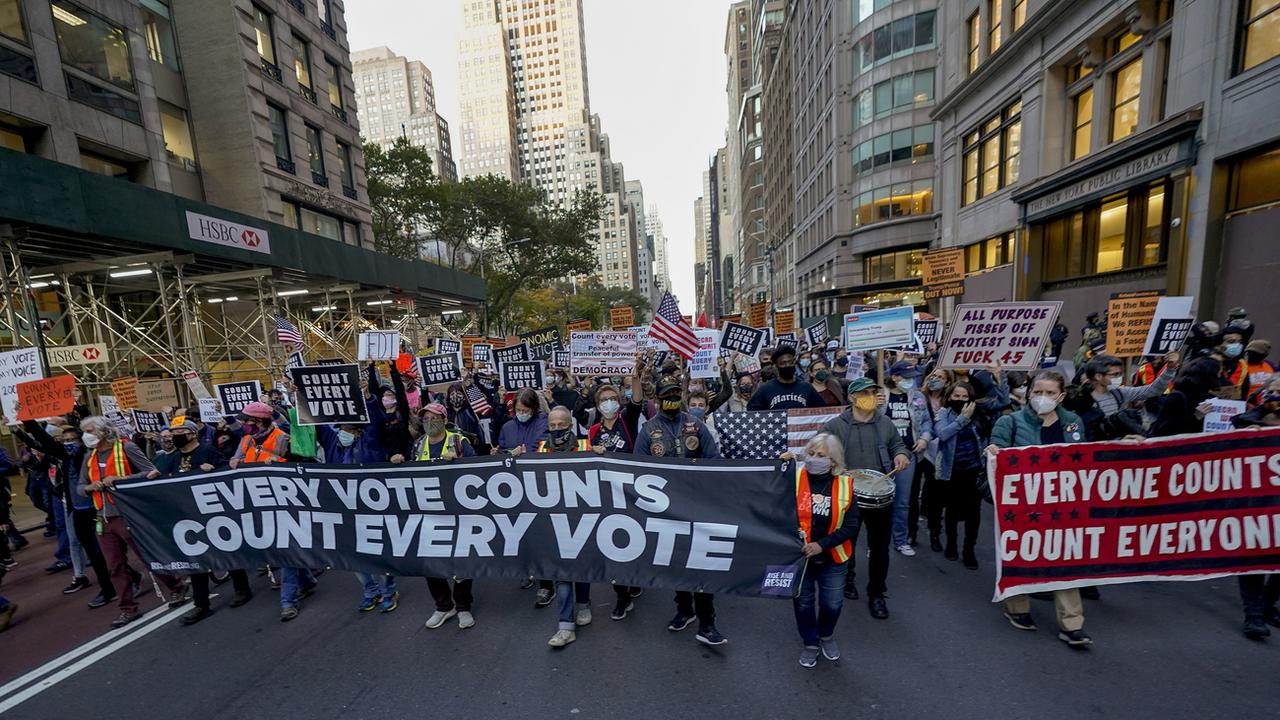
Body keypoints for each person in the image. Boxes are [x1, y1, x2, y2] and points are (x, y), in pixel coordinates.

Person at [987, 370, 1092, 648]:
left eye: (1049, 393)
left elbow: (1086, 457)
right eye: (1037, 392)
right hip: (1021, 504)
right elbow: (994, 449)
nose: (1042, 398)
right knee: (1021, 553)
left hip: (1061, 503)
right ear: (1029, 392)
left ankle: (1072, 624)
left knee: (1065, 557)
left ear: (1061, 396)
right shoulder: (1010, 421)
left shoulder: (1072, 423)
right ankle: (1017, 607)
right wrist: (993, 453)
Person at [636, 375, 726, 646]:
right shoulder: (648, 429)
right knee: (676, 561)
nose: (672, 399)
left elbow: (715, 460)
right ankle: (684, 609)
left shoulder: (696, 425)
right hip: (665, 508)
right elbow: (636, 467)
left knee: (700, 562)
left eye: (676, 394)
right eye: (667, 395)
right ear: (658, 399)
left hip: (697, 505)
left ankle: (707, 621)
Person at [79, 416, 188, 628]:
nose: (86, 435)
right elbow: (79, 486)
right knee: (114, 566)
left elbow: (150, 472)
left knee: (146, 555)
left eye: (90, 431)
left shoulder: (126, 448)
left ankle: (175, 586)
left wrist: (120, 480)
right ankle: (128, 609)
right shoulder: (89, 457)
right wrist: (88, 488)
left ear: (103, 432)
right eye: (85, 431)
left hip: (127, 514)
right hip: (103, 517)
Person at [820, 377, 910, 617]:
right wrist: (834, 468)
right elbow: (820, 451)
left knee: (880, 548)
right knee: (844, 542)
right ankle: (846, 578)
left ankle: (877, 593)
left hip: (879, 494)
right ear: (852, 397)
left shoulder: (885, 423)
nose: (870, 396)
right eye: (865, 393)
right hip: (846, 494)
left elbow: (898, 446)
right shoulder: (835, 426)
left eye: (873, 392)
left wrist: (901, 455)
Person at [149, 418, 252, 625]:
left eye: (179, 432)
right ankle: (201, 604)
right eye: (173, 432)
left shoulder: (208, 452)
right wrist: (153, 476)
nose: (175, 436)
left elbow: (228, 473)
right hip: (188, 515)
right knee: (195, 558)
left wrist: (213, 470)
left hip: (212, 512)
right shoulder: (173, 457)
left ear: (191, 433)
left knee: (226, 549)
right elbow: (162, 474)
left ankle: (242, 589)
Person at [397, 402, 478, 630]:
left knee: (460, 560)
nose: (430, 423)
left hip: (457, 511)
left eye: (434, 418)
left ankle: (463, 607)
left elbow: (479, 471)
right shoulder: (418, 444)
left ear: (444, 420)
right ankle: (443, 606)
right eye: (425, 419)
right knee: (431, 561)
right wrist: (399, 464)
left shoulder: (458, 442)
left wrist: (459, 463)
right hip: (429, 512)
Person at [782, 433, 858, 668]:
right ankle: (811, 642)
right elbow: (770, 496)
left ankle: (826, 635)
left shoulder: (845, 485)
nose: (814, 459)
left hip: (833, 558)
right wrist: (779, 467)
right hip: (801, 558)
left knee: (832, 604)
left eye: (821, 456)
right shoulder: (795, 478)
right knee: (803, 603)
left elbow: (851, 526)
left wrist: (821, 545)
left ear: (833, 461)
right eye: (811, 454)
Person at [586, 383, 644, 620]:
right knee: (613, 542)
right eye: (604, 400)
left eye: (612, 398)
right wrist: (593, 451)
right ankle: (621, 595)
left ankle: (636, 578)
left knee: (635, 538)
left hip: (631, 491)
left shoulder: (627, 421)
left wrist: (635, 375)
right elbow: (587, 458)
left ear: (619, 402)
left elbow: (638, 402)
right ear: (598, 405)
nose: (608, 403)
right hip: (607, 494)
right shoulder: (594, 430)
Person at [538, 406, 593, 648]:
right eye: (552, 425)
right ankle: (565, 626)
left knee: (580, 567)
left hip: (580, 517)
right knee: (560, 573)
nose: (557, 429)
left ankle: (583, 605)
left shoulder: (584, 446)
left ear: (571, 425)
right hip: (553, 519)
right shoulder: (541, 449)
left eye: (562, 424)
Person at [1230, 387, 1280, 639]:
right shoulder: (1247, 428)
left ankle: (1267, 605)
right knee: (1255, 559)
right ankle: (1254, 615)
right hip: (1255, 506)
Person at [931, 382, 986, 568]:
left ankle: (969, 550)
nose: (961, 400)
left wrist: (997, 376)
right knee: (952, 511)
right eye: (957, 396)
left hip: (974, 471)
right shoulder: (943, 414)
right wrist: (962, 419)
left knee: (973, 513)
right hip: (952, 471)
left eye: (965, 397)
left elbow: (1001, 401)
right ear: (950, 397)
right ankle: (952, 545)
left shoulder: (978, 414)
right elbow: (943, 434)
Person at [884, 361, 933, 556]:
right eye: (906, 377)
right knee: (880, 501)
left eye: (913, 377)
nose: (911, 381)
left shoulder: (918, 397)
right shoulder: (880, 395)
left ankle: (900, 540)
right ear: (895, 377)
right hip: (882, 455)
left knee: (902, 501)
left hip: (908, 455)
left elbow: (928, 422)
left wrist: (924, 439)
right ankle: (877, 542)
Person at [1075, 353, 1177, 441]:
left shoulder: (1119, 393)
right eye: (1114, 374)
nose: (1119, 377)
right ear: (1098, 376)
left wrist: (1170, 368)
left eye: (1120, 374)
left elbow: (1153, 390)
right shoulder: (1083, 400)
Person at [1149, 357, 1222, 438]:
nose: (1220, 377)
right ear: (1211, 375)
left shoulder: (1210, 397)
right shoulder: (1177, 397)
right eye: (1218, 374)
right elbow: (1161, 430)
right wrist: (1195, 417)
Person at [747, 345, 826, 410]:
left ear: (794, 362)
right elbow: (752, 411)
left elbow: (823, 411)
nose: (787, 365)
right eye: (783, 363)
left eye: (790, 362)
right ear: (776, 365)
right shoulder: (765, 389)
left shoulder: (806, 387)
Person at [228, 401, 289, 468]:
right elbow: (239, 457)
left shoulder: (282, 437)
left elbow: (292, 463)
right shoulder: (246, 437)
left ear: (260, 422)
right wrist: (235, 461)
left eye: (246, 420)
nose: (243, 423)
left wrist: (277, 460)